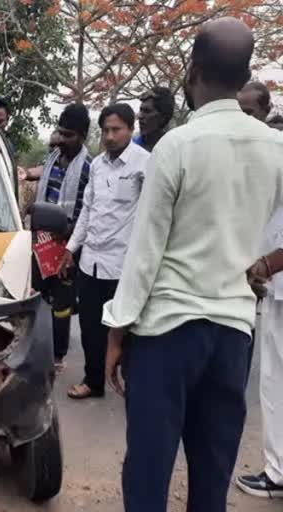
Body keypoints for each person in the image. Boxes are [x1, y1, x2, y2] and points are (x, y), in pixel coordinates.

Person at [102, 18, 283, 511]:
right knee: (212, 475)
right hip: (232, 334)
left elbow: (145, 253)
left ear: (194, 72)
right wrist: (264, 264)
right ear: (244, 72)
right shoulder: (275, 148)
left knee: (148, 472)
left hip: (168, 332)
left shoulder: (177, 145)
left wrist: (117, 330)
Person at [58, 104, 149, 399]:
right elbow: (87, 211)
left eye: (116, 130)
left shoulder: (144, 164)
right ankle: (93, 381)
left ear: (130, 129)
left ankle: (134, 386)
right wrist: (71, 248)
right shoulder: (97, 165)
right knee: (90, 329)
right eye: (106, 130)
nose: (110, 136)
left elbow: (153, 216)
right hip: (91, 263)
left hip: (123, 266)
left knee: (128, 331)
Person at [33, 104, 92, 370]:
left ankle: (57, 355)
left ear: (83, 136)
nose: (64, 139)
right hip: (41, 241)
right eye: (61, 132)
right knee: (38, 294)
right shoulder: (52, 159)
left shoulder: (90, 168)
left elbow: (88, 211)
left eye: (70, 135)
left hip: (69, 244)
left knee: (62, 303)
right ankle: (35, 347)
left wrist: (71, 243)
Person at [235, 216, 283, 499]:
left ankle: (278, 473)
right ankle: (278, 470)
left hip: (274, 274)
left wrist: (267, 264)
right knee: (273, 383)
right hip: (275, 288)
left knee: (275, 383)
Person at [133, 87, 175, 152]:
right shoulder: (131, 147)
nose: (140, 116)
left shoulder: (172, 150)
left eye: (147, 111)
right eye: (141, 110)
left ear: (163, 117)